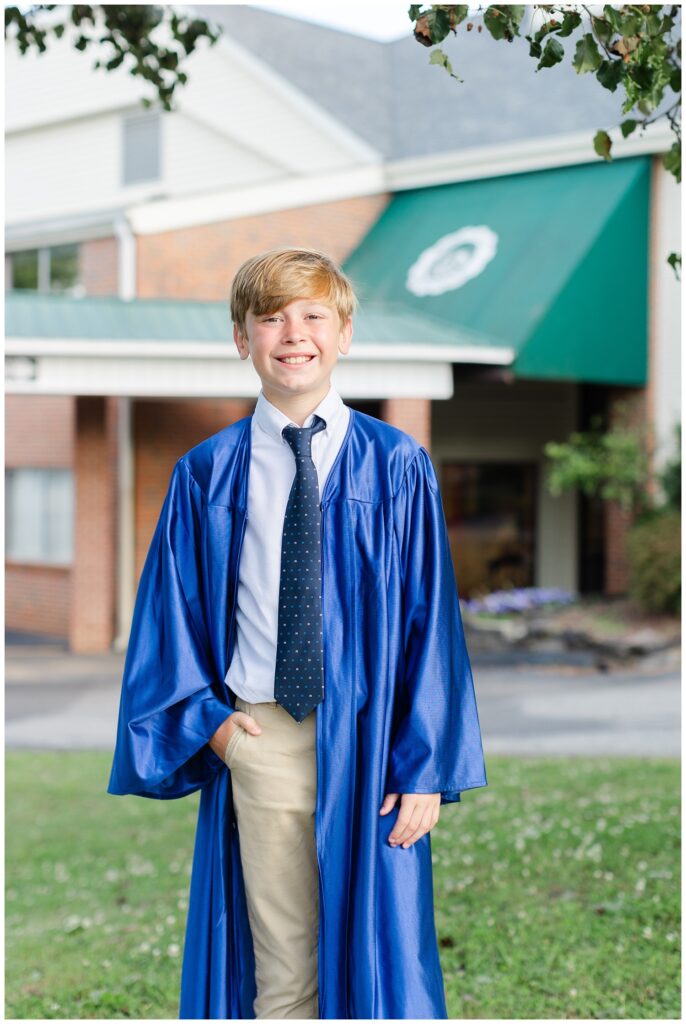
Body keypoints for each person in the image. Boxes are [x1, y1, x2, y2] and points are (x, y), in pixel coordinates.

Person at [107, 246, 488, 1020]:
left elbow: (430, 624)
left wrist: (424, 765)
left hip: (374, 741)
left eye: (313, 314)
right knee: (282, 965)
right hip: (263, 735)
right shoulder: (207, 474)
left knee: (380, 955)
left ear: (344, 334)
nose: (293, 334)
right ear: (241, 339)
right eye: (270, 318)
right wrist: (214, 731)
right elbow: (167, 621)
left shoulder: (396, 466)